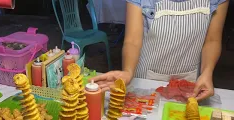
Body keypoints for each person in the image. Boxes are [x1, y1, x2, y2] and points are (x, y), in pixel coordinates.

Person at [90, 0, 229, 101]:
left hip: (191, 80)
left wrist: (207, 72)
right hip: (145, 79)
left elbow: (213, 40)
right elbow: (132, 40)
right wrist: (128, 71)